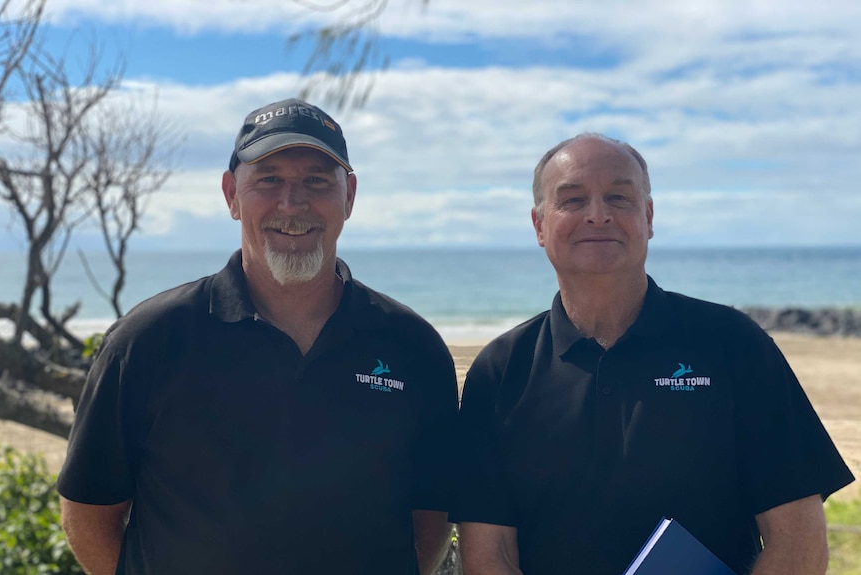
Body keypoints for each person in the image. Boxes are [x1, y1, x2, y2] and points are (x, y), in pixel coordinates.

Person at [57, 98, 459, 575]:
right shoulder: (149, 340)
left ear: (349, 196)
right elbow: (88, 508)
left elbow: (432, 513)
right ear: (231, 194)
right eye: (269, 179)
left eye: (315, 180)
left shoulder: (412, 346)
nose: (293, 203)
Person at [451, 133, 855, 575]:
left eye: (619, 197)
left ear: (647, 216)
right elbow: (489, 556)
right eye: (572, 200)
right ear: (539, 226)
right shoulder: (501, 369)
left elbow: (798, 538)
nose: (598, 215)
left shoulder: (734, 346)